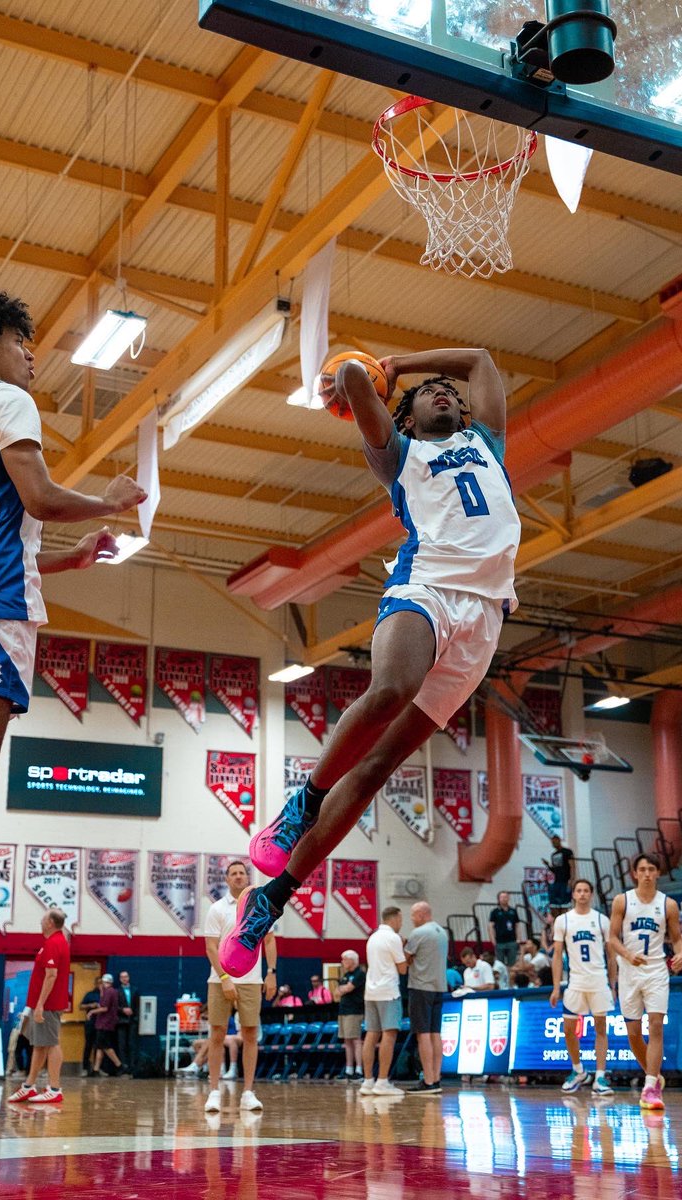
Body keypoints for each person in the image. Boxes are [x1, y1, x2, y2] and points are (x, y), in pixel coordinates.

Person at [219, 348, 520, 975]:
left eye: (448, 392)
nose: (443, 392)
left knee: (378, 767)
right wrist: (386, 374)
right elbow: (355, 376)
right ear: (403, 415)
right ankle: (302, 805)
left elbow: (481, 362)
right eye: (427, 392)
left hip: (485, 618)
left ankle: (270, 900)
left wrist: (409, 362)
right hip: (427, 586)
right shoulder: (398, 453)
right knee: (390, 689)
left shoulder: (486, 444)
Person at [0, 291, 147, 889]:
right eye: (20, 341)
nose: (30, 355)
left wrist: (72, 557)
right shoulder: (5, 398)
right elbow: (41, 498)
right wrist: (108, 502)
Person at [609, 852, 682, 1112]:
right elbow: (612, 938)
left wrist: (681, 954)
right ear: (635, 873)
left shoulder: (668, 904)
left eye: (652, 869)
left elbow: (677, 939)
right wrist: (627, 954)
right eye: (642, 869)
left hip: (656, 970)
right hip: (629, 971)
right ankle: (653, 1075)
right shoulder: (622, 901)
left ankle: (650, 1086)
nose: (647, 874)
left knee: (656, 1025)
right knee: (633, 1033)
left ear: (658, 873)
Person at [203, 859, 277, 1115]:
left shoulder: (260, 906)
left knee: (250, 1034)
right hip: (220, 980)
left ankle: (248, 1093)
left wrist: (271, 973)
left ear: (247, 877)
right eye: (233, 873)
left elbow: (269, 941)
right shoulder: (217, 909)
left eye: (241, 873)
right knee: (217, 1033)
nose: (237, 876)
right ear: (226, 879)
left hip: (252, 980)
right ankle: (214, 1092)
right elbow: (211, 947)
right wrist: (225, 978)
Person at [550, 878, 616, 1096]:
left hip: (598, 980)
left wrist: (613, 985)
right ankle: (578, 1070)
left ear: (591, 894)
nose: (582, 894)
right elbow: (557, 955)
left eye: (586, 890)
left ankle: (600, 1077)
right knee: (568, 1030)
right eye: (578, 890)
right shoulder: (563, 920)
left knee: (601, 1029)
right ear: (573, 894)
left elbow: (611, 956)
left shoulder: (601, 920)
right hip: (575, 982)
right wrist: (556, 987)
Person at [8, 908, 72, 1104]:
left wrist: (40, 1005)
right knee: (40, 1045)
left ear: (50, 922)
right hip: (42, 1004)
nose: (40, 921)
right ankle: (29, 1086)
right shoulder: (54, 941)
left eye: (43, 918)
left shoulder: (54, 943)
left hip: (49, 1005)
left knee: (51, 1043)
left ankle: (55, 1089)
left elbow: (51, 975)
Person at [360, 906, 407, 1097]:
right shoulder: (393, 938)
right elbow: (403, 969)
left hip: (370, 991)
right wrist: (403, 947)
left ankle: (367, 1081)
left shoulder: (372, 937)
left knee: (371, 1034)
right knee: (389, 1034)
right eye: (401, 919)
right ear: (394, 918)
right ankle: (382, 1081)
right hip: (388, 992)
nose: (401, 923)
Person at [403, 900, 448, 1096]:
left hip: (421, 987)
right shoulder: (442, 932)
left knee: (423, 1034)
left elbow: (405, 960)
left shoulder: (418, 933)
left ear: (421, 914)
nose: (412, 919)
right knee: (435, 1033)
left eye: (413, 915)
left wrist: (403, 945)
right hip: (439, 987)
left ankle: (428, 1081)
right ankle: (436, 1078)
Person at [88, 974, 127, 1078]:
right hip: (106, 1023)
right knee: (100, 1047)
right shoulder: (111, 992)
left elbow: (104, 1008)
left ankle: (119, 1066)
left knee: (106, 1046)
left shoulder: (109, 992)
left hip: (104, 1024)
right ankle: (96, 1070)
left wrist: (92, 1011)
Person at [177, 1015, 241, 1080]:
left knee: (212, 1041)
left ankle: (196, 1065)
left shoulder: (227, 1016)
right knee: (197, 1043)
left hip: (228, 1036)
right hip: (222, 1038)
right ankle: (202, 1067)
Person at [337, 950, 366, 1081]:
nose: (342, 962)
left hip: (354, 1011)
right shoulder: (346, 975)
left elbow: (349, 988)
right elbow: (337, 992)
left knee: (356, 1040)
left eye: (344, 959)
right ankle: (349, 1070)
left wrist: (344, 989)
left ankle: (359, 1070)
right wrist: (343, 989)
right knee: (347, 1040)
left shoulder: (360, 973)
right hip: (343, 1010)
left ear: (352, 960)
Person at [488, 892, 520, 969]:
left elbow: (517, 925)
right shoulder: (495, 912)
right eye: (502, 897)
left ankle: (511, 976)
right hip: (499, 941)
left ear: (508, 898)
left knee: (512, 963)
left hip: (512, 940)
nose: (504, 899)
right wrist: (492, 939)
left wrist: (518, 938)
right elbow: (491, 926)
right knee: (500, 964)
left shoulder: (513, 911)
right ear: (498, 899)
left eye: (505, 897)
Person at [80, 973, 103, 1077]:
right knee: (88, 1045)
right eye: (99, 983)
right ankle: (85, 1068)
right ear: (95, 984)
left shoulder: (106, 995)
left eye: (102, 983)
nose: (101, 985)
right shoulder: (90, 994)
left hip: (102, 1023)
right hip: (91, 1022)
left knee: (99, 1046)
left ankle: (97, 1068)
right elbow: (81, 1006)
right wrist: (91, 1005)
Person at [117, 970, 139, 1071]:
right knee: (121, 1044)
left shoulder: (135, 990)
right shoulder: (117, 991)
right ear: (120, 979)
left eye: (126, 977)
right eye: (122, 977)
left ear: (129, 978)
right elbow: (114, 1006)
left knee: (132, 1044)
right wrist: (123, 1010)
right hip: (121, 1021)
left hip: (132, 1021)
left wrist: (135, 1017)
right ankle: (123, 1066)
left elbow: (137, 1006)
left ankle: (132, 1066)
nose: (124, 979)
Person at [544, 836, 575, 909]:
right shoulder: (553, 855)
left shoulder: (567, 851)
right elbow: (555, 870)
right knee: (555, 904)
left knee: (565, 903)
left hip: (565, 881)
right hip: (557, 881)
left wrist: (571, 879)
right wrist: (548, 865)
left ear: (559, 840)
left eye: (555, 842)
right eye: (552, 842)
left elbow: (572, 866)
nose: (553, 844)